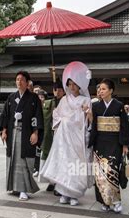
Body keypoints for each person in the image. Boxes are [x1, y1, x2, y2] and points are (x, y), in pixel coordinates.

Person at [40, 62, 93, 206]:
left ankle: (74, 194)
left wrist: (86, 113)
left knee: (76, 163)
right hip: (64, 137)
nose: (72, 87)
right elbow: (56, 115)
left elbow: (89, 120)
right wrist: (63, 121)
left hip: (78, 137)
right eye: (69, 84)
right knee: (64, 162)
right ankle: (64, 193)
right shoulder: (64, 100)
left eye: (74, 83)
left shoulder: (86, 100)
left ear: (80, 84)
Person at [0, 71, 44, 201]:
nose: (19, 82)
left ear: (27, 82)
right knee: (13, 159)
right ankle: (15, 187)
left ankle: (24, 189)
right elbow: (6, 115)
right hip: (13, 133)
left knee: (24, 161)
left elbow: (37, 116)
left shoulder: (33, 98)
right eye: (17, 79)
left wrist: (35, 132)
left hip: (26, 133)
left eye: (22, 80)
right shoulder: (11, 97)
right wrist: (4, 130)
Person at [89, 78, 129, 214]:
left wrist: (124, 144)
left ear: (111, 91)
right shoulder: (96, 107)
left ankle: (116, 201)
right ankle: (104, 202)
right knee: (100, 174)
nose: (101, 91)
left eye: (104, 89)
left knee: (112, 172)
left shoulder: (119, 106)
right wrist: (91, 143)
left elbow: (124, 126)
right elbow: (93, 126)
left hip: (114, 143)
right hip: (100, 143)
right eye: (99, 89)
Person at [38, 83, 65, 193]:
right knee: (48, 158)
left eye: (60, 90)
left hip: (62, 135)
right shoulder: (47, 103)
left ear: (63, 91)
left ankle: (60, 183)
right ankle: (51, 182)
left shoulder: (67, 103)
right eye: (55, 90)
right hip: (49, 135)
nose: (57, 92)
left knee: (61, 159)